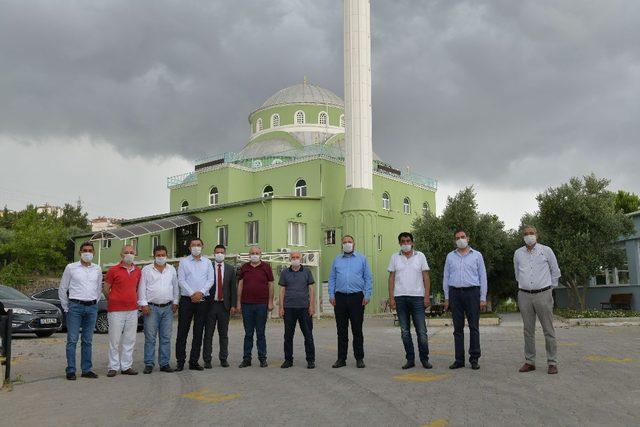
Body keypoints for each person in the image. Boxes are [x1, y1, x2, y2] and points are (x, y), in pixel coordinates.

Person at [514, 225, 561, 375]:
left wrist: (549, 289)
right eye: (526, 234)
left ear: (537, 235)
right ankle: (530, 361)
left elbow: (555, 271)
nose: (529, 236)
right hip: (524, 295)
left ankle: (552, 362)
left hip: (543, 294)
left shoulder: (546, 251)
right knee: (528, 331)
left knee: (548, 330)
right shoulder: (518, 253)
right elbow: (517, 274)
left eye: (531, 233)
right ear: (523, 236)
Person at [443, 230, 487, 370]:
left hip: (472, 293)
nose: (460, 239)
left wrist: (483, 298)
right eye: (457, 238)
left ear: (468, 238)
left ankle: (474, 359)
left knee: (474, 327)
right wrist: (446, 297)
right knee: (457, 329)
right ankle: (459, 360)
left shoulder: (477, 255)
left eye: (462, 237)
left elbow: (483, 277)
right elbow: (446, 277)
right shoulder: (450, 256)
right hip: (455, 293)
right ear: (454, 241)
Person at [388, 232, 432, 370]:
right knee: (405, 331)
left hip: (418, 298)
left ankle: (425, 359)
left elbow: (426, 277)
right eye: (402, 241)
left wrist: (426, 296)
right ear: (399, 243)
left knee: (421, 331)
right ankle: (410, 359)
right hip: (400, 298)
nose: (405, 243)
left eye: (408, 241)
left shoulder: (420, 256)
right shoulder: (394, 257)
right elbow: (391, 278)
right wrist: (391, 298)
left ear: (412, 242)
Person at [59, 242, 103, 380]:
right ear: (80, 252)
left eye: (90, 250)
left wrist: (94, 303)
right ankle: (71, 370)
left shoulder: (97, 269)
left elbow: (98, 288)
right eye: (85, 250)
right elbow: (62, 288)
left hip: (91, 307)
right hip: (75, 307)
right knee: (72, 340)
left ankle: (86, 369)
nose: (87, 253)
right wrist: (66, 307)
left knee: (88, 340)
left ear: (94, 253)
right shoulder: (71, 268)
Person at [328, 235, 372, 369]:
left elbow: (368, 278)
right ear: (341, 245)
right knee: (341, 330)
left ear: (354, 244)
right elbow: (332, 278)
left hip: (357, 298)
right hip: (339, 298)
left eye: (349, 242)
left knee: (357, 330)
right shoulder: (336, 260)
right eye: (345, 242)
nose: (347, 244)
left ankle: (359, 358)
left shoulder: (362, 259)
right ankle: (341, 359)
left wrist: (367, 294)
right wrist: (331, 294)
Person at [138, 245, 179, 374]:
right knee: (150, 337)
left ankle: (164, 363)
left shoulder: (171, 269)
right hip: (151, 308)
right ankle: (149, 363)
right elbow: (142, 288)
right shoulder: (146, 270)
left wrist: (176, 302)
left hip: (167, 308)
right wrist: (143, 304)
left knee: (166, 337)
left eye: (163, 255)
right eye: (158, 255)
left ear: (166, 255)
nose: (161, 257)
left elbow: (175, 287)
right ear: (154, 256)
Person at [176, 238, 214, 371]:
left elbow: (210, 280)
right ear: (189, 248)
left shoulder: (208, 262)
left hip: (202, 300)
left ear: (202, 247)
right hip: (187, 300)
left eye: (198, 245)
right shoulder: (183, 262)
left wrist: (201, 293)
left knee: (198, 333)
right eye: (193, 245)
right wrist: (193, 294)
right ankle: (180, 362)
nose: (196, 247)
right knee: (182, 332)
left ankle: (194, 361)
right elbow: (181, 280)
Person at [103, 245, 141, 377]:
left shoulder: (138, 271)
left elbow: (137, 288)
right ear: (121, 255)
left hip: (132, 310)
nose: (129, 254)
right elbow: (106, 289)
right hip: (116, 310)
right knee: (115, 339)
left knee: (130, 339)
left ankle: (126, 366)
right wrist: (114, 299)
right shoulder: (113, 270)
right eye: (126, 252)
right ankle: (113, 367)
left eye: (131, 252)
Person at [236, 246, 274, 368]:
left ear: (260, 255)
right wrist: (238, 302)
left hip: (261, 304)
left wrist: (270, 301)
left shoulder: (266, 267)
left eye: (257, 253)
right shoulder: (244, 267)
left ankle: (262, 358)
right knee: (248, 333)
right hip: (246, 304)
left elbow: (271, 284)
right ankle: (246, 359)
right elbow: (240, 285)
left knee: (261, 333)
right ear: (249, 255)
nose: (254, 255)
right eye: (252, 253)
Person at [278, 251, 316, 369]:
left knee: (308, 335)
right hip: (289, 308)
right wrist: (281, 307)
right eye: (293, 257)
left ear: (301, 258)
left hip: (304, 308)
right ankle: (288, 360)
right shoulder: (285, 272)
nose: (295, 259)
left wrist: (312, 306)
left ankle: (310, 360)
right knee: (288, 335)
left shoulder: (307, 271)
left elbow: (311, 289)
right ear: (290, 259)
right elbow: (282, 290)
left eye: (297, 257)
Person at [203, 244, 237, 369]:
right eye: (217, 252)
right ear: (214, 254)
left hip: (224, 306)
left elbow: (233, 288)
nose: (219, 254)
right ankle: (207, 360)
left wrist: (233, 305)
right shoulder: (208, 267)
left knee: (224, 334)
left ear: (225, 254)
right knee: (208, 334)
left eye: (222, 252)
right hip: (210, 305)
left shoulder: (230, 268)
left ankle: (223, 358)